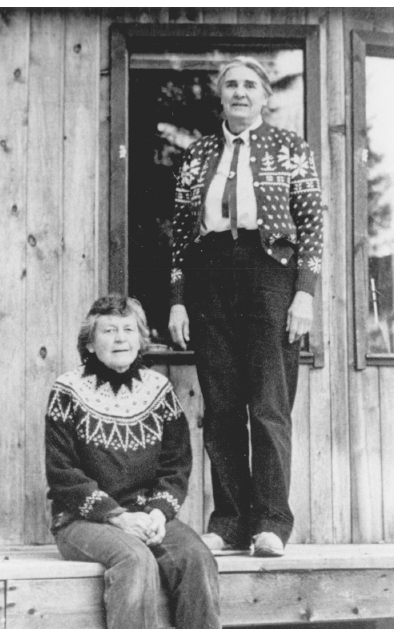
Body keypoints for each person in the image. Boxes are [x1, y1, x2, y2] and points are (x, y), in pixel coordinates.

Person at [45, 294, 241, 629]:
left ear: (142, 339)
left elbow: (176, 467)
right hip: (84, 521)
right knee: (133, 560)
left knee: (194, 557)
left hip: (147, 517)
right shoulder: (66, 391)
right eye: (108, 330)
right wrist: (117, 516)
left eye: (128, 329)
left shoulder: (159, 391)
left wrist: (158, 512)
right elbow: (63, 475)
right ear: (90, 342)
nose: (119, 338)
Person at [168, 55, 323, 558]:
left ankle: (272, 523)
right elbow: (179, 237)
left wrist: (304, 293)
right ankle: (230, 521)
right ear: (221, 95)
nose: (239, 92)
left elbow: (312, 228)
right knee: (222, 407)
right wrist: (177, 301)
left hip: (269, 273)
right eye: (230, 84)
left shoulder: (288, 147)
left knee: (270, 406)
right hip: (210, 276)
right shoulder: (198, 154)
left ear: (264, 95)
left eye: (249, 85)